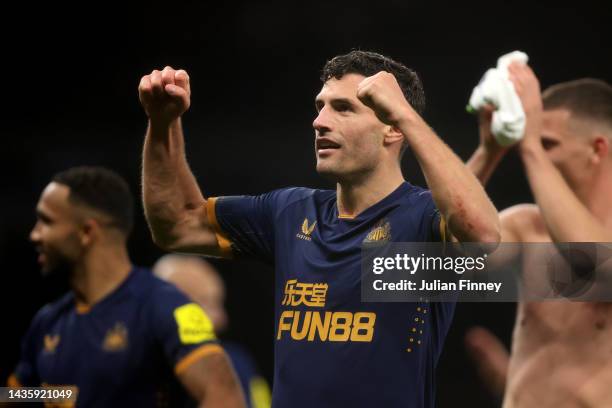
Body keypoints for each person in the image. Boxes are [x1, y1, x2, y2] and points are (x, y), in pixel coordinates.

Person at [139, 50, 500, 407]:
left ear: (392, 129)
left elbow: (483, 234)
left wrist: (407, 114)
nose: (320, 121)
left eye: (343, 108)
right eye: (320, 106)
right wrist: (162, 124)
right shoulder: (290, 212)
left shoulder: (422, 219)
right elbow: (177, 225)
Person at [7, 166, 245, 407]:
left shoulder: (166, 308)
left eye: (46, 221)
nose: (35, 235)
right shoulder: (49, 320)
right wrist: (63, 395)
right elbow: (19, 395)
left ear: (87, 232)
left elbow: (225, 398)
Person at [465, 66, 612, 407]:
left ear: (598, 148)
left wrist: (530, 144)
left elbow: (597, 264)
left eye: (549, 143)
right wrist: (488, 152)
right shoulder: (527, 225)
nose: (530, 151)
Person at [153, 254, 272, 408]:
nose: (222, 319)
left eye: (219, 303)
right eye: (208, 303)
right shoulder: (130, 361)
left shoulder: (237, 362)